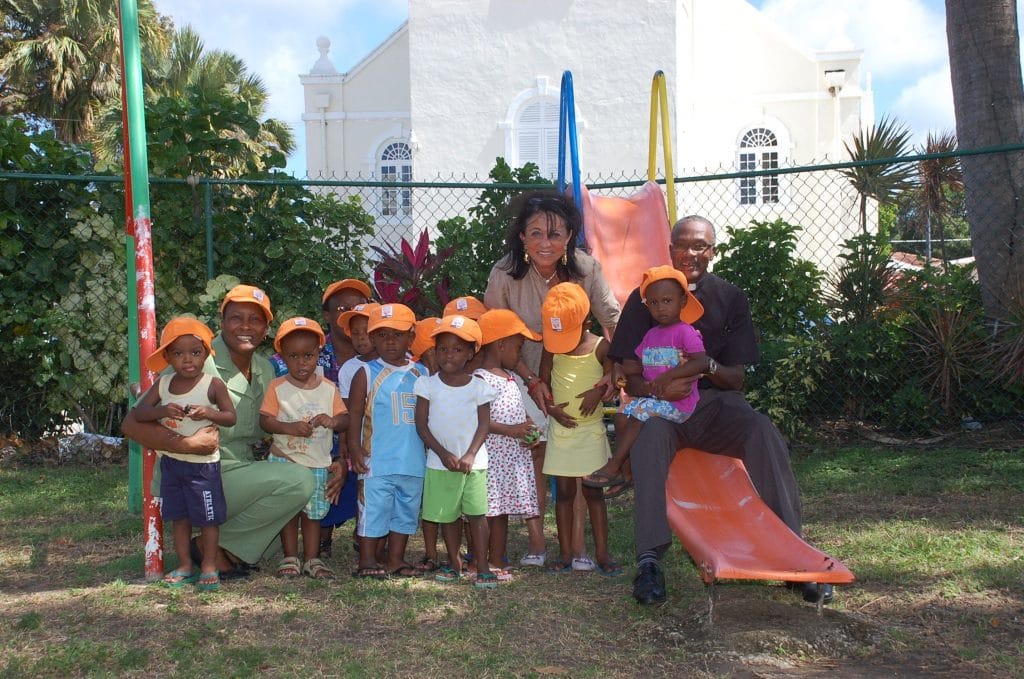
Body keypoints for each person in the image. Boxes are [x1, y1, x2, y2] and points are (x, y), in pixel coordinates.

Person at [607, 215, 826, 605]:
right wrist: (657, 388)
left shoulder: (730, 297)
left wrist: (704, 367)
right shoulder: (646, 301)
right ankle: (649, 561)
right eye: (682, 245)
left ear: (712, 251)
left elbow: (736, 378)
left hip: (714, 404)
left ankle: (795, 552)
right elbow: (628, 373)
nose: (690, 253)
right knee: (648, 438)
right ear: (669, 248)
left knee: (761, 430)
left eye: (699, 246)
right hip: (662, 407)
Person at [121, 285, 318, 579]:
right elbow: (131, 423)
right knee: (300, 482)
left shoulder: (264, 368)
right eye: (236, 318)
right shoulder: (196, 358)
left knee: (276, 540)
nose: (246, 327)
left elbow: (276, 426)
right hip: (197, 472)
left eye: (256, 320)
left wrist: (328, 458)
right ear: (222, 323)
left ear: (266, 329)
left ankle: (221, 539)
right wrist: (186, 443)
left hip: (239, 469)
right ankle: (209, 546)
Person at [484, 191, 621, 565]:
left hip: (576, 374)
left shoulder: (586, 269)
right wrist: (531, 380)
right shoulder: (504, 273)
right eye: (536, 234)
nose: (547, 243)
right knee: (536, 450)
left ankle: (575, 548)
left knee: (571, 459)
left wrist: (612, 372)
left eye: (556, 234)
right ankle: (538, 541)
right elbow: (496, 335)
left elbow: (613, 321)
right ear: (522, 238)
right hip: (520, 374)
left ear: (570, 235)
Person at [130, 317, 237, 591]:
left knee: (207, 519)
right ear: (167, 357)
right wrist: (163, 410)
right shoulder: (164, 384)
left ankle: (209, 566)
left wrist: (208, 413)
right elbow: (140, 414)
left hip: (204, 468)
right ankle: (186, 565)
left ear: (206, 354)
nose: (187, 360)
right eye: (178, 353)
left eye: (195, 352)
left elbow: (230, 417)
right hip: (173, 463)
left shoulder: (213, 384)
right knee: (180, 517)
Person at [270, 279, 372, 559]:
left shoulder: (383, 356)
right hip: (312, 446)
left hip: (364, 445)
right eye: (341, 308)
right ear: (327, 315)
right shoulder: (309, 354)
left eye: (358, 306)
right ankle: (321, 536)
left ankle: (366, 532)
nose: (350, 312)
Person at [583, 266, 708, 489]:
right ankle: (626, 471)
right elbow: (636, 363)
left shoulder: (685, 332)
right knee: (622, 415)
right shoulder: (651, 334)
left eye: (667, 301)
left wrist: (668, 376)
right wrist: (620, 367)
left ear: (683, 302)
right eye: (653, 303)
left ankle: (614, 465)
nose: (661, 308)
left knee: (639, 412)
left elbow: (701, 361)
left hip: (680, 404)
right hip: (657, 399)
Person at [539, 283, 621, 576]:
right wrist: (550, 408)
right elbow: (543, 383)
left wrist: (599, 391)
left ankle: (602, 554)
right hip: (561, 432)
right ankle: (564, 553)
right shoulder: (552, 348)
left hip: (590, 432)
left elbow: (614, 375)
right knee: (562, 494)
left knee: (594, 494)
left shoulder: (601, 347)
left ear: (587, 322)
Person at [413, 315, 501, 589]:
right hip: (440, 464)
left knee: (477, 515)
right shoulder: (426, 385)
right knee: (447, 517)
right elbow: (421, 425)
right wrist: (442, 453)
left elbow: (484, 424)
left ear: (471, 353)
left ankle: (483, 567)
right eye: (442, 348)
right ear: (434, 352)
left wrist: (470, 455)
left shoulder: (479, 387)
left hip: (474, 464)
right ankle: (454, 562)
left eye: (457, 349)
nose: (448, 354)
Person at [260, 317, 348, 579]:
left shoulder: (329, 388)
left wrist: (332, 421)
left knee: (313, 515)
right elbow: (265, 420)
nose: (301, 362)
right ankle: (289, 557)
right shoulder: (278, 387)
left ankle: (312, 559)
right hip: (285, 461)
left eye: (308, 355)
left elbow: (345, 419)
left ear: (318, 354)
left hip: (317, 462)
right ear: (282, 356)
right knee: (289, 511)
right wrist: (289, 428)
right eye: (293, 356)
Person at [347, 303, 427, 578]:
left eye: (397, 334)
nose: (390, 341)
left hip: (413, 460)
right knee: (374, 511)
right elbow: (354, 415)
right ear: (372, 338)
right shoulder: (366, 373)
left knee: (405, 512)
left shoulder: (422, 373)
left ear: (411, 337)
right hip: (377, 461)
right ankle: (367, 561)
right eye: (381, 335)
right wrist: (355, 449)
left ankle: (395, 559)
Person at [475, 309, 543, 573]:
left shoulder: (511, 379)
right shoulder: (480, 379)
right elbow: (479, 420)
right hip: (492, 457)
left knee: (501, 510)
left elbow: (520, 414)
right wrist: (512, 430)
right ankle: (487, 559)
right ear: (500, 344)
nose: (520, 354)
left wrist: (529, 431)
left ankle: (498, 558)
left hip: (511, 459)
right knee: (489, 510)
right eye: (518, 347)